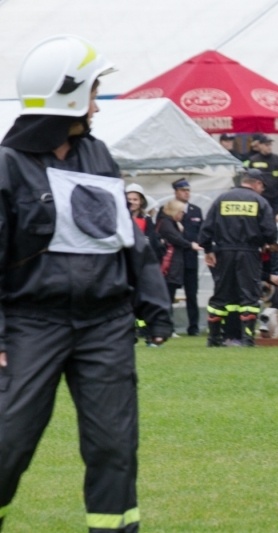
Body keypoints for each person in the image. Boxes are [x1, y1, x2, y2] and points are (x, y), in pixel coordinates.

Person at [0, 35, 172, 532]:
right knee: (9, 440)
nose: (98, 106)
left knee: (113, 445)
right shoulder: (8, 167)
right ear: (68, 97)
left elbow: (127, 241)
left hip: (106, 324)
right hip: (31, 323)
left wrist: (154, 306)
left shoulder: (97, 156)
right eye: (93, 94)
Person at [199, 170, 278, 347]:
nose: (262, 190)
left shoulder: (222, 199)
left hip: (223, 252)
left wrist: (208, 249)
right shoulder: (260, 201)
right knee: (248, 296)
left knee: (220, 295)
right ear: (257, 184)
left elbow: (206, 228)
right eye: (262, 187)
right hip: (249, 252)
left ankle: (213, 339)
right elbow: (271, 232)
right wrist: (267, 242)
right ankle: (247, 338)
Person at [165, 178, 204, 336]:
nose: (186, 193)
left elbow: (201, 231)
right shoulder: (168, 209)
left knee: (192, 294)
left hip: (190, 258)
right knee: (170, 293)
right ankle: (169, 326)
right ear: (176, 192)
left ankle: (193, 327)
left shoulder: (196, 210)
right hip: (174, 259)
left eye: (188, 190)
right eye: (183, 190)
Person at [156, 199, 203, 312]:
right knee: (168, 296)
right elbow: (176, 239)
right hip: (169, 266)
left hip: (172, 266)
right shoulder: (166, 224)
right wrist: (190, 245)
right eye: (181, 212)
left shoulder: (170, 223)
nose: (183, 214)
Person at [245, 133, 278, 215]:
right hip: (262, 195)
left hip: (276, 196)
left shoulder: (277, 159)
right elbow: (249, 178)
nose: (269, 147)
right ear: (260, 145)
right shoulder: (254, 160)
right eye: (266, 145)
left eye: (270, 145)